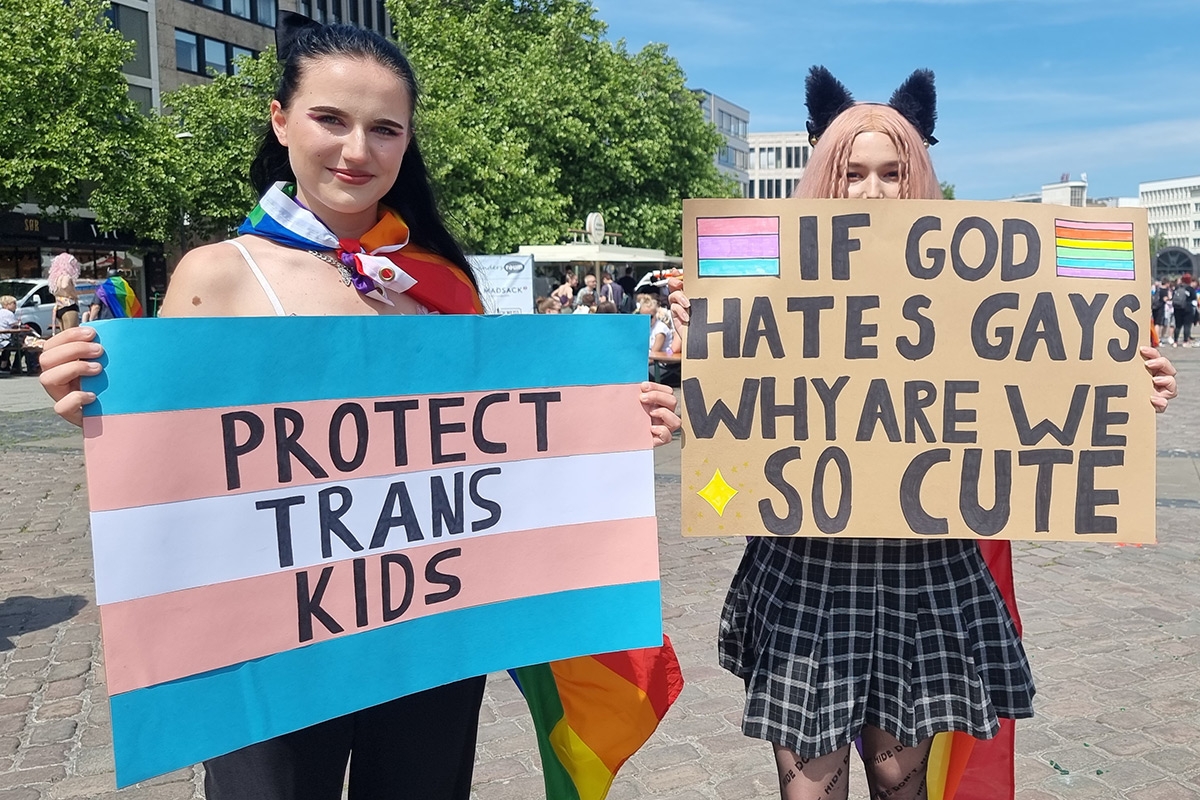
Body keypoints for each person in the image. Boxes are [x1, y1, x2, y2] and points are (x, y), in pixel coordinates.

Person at [39, 13, 681, 800]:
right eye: (330, 120)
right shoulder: (220, 273)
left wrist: (608, 429)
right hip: (272, 642)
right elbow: (181, 459)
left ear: (407, 142)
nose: (356, 150)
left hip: (427, 632)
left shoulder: (439, 283)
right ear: (280, 121)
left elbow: (501, 450)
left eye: (384, 129)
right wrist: (102, 408)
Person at [669, 66, 1178, 800]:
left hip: (925, 563)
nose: (871, 192)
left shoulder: (975, 283)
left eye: (890, 172)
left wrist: (1129, 392)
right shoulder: (762, 276)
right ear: (824, 175)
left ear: (919, 180)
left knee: (899, 780)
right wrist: (693, 384)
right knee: (808, 784)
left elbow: (1039, 385)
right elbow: (734, 446)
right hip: (807, 560)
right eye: (853, 173)